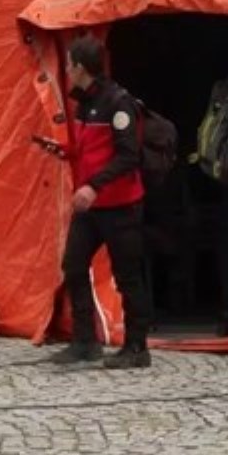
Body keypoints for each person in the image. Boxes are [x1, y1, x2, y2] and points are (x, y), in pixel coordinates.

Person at [49, 35, 153, 369]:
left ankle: (137, 348)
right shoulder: (84, 102)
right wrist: (65, 152)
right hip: (92, 208)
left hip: (120, 205)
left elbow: (128, 156)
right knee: (74, 266)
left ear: (80, 68)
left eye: (68, 63)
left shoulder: (118, 103)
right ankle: (85, 341)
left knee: (128, 276)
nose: (66, 68)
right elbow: (91, 150)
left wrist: (93, 186)